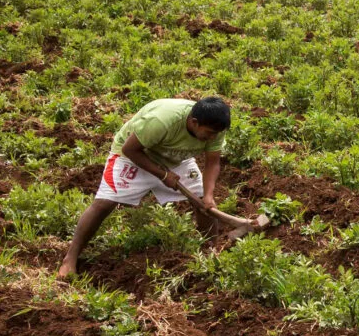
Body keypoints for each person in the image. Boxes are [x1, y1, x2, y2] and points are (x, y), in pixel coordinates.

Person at [59, 97, 231, 279]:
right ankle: (70, 258)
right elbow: (130, 150)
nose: (212, 138)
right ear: (194, 122)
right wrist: (163, 175)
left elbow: (213, 163)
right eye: (209, 133)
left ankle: (211, 251)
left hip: (175, 157)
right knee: (104, 203)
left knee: (203, 204)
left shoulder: (216, 128)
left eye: (216, 134)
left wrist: (209, 196)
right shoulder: (162, 120)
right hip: (134, 154)